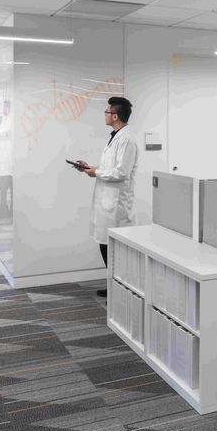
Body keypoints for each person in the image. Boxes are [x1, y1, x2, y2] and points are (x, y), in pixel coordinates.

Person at [75, 96, 139, 297]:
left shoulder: (127, 140)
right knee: (105, 245)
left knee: (115, 250)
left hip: (117, 205)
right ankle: (115, 285)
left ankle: (122, 288)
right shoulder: (115, 136)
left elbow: (121, 173)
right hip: (107, 202)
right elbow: (111, 168)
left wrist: (96, 172)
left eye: (106, 112)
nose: (104, 115)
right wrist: (91, 168)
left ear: (115, 116)